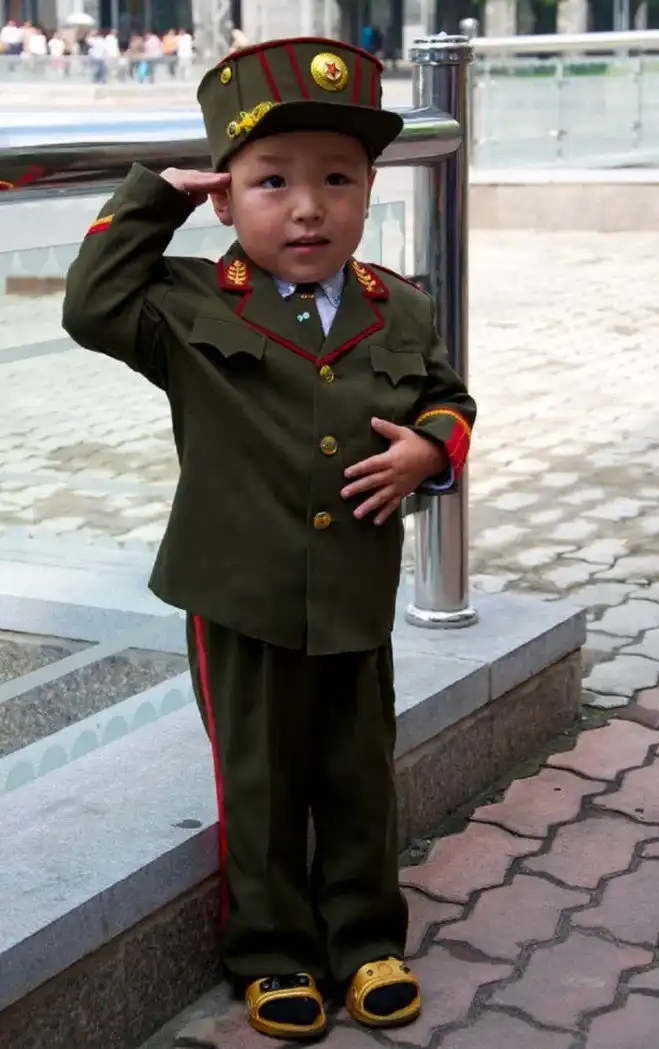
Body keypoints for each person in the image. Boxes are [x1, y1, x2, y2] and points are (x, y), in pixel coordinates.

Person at [62, 37, 476, 1041]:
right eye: (271, 180)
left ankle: (365, 939)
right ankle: (272, 950)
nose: (306, 208)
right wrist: (154, 198)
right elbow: (90, 305)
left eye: (337, 179)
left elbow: (447, 398)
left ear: (368, 193)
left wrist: (431, 450)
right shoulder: (187, 301)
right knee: (260, 779)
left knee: (357, 772)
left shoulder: (399, 305)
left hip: (353, 590)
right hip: (238, 594)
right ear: (225, 198)